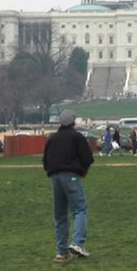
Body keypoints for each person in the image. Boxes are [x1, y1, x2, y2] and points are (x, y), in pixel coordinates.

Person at [42, 110, 94, 261]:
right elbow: (87, 158)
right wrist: (82, 171)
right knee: (79, 209)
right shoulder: (76, 137)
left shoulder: (52, 138)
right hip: (71, 175)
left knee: (60, 215)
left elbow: (45, 161)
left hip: (55, 177)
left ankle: (62, 251)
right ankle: (77, 243)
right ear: (73, 122)